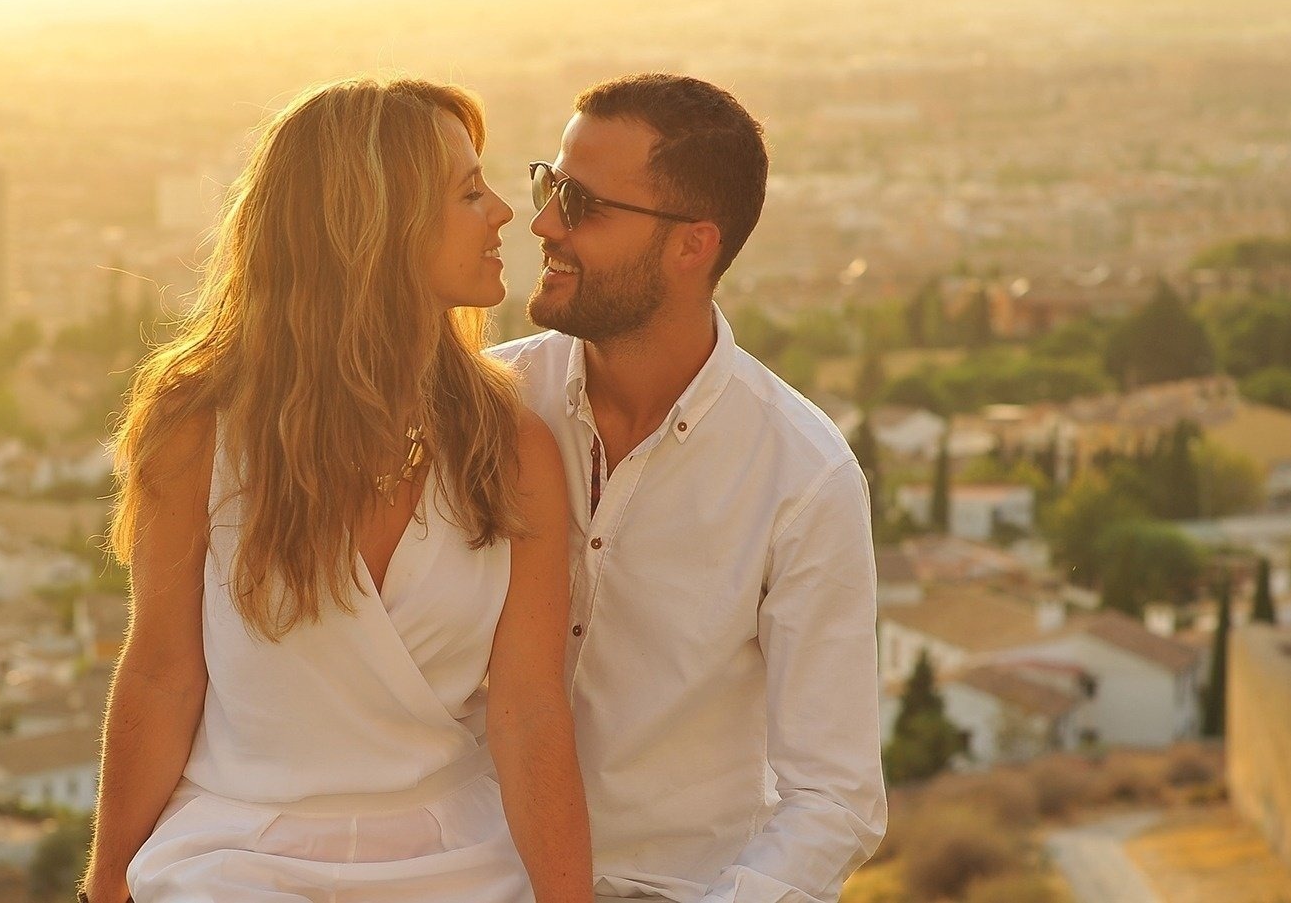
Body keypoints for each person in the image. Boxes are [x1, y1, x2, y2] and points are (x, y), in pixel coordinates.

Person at [81, 77, 591, 903]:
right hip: (239, 854)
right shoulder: (199, 427)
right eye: (468, 192)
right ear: (377, 229)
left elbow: (530, 711)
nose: (506, 212)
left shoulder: (511, 445)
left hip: (458, 858)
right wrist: (105, 885)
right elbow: (163, 672)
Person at [490, 74, 887, 903]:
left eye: (582, 203)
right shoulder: (480, 410)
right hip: (467, 874)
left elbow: (836, 798)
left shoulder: (801, 477)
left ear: (691, 244)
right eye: (547, 183)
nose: (544, 221)